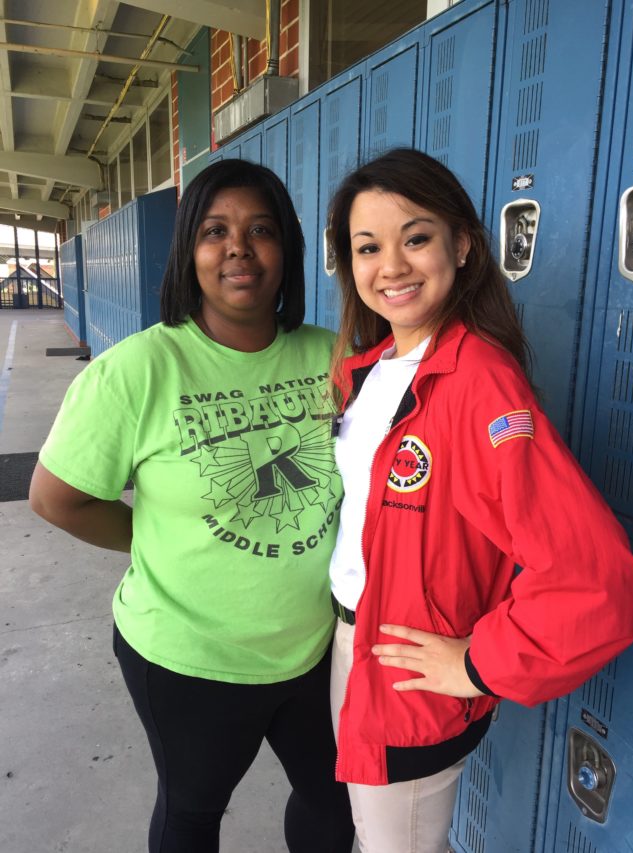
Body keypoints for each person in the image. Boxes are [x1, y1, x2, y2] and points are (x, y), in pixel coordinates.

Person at [29, 159, 354, 853]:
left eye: (260, 229)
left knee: (336, 800)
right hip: (190, 658)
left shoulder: (334, 356)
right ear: (190, 253)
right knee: (192, 814)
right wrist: (151, 537)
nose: (239, 246)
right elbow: (57, 498)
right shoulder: (139, 370)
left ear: (287, 251)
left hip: (315, 647)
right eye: (215, 231)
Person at [325, 147, 633, 853]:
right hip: (351, 642)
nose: (392, 266)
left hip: (409, 671)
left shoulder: (479, 384)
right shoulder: (372, 369)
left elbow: (597, 579)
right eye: (368, 247)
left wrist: (475, 663)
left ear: (462, 244)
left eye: (416, 238)